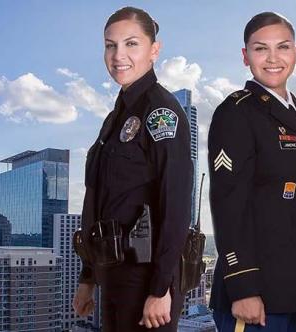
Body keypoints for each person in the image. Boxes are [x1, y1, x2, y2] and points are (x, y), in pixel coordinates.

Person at [72, 7, 193, 332]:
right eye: (110, 45)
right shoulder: (115, 119)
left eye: (131, 44)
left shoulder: (161, 112)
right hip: (113, 270)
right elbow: (96, 201)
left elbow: (176, 205)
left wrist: (161, 288)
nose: (118, 55)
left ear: (154, 50)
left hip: (146, 277)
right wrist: (88, 276)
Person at [208, 12, 296, 332]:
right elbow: (228, 204)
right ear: (245, 56)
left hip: (295, 289)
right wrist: (243, 287)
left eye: (283, 47)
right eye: (261, 48)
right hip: (255, 293)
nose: (273, 58)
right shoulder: (237, 112)